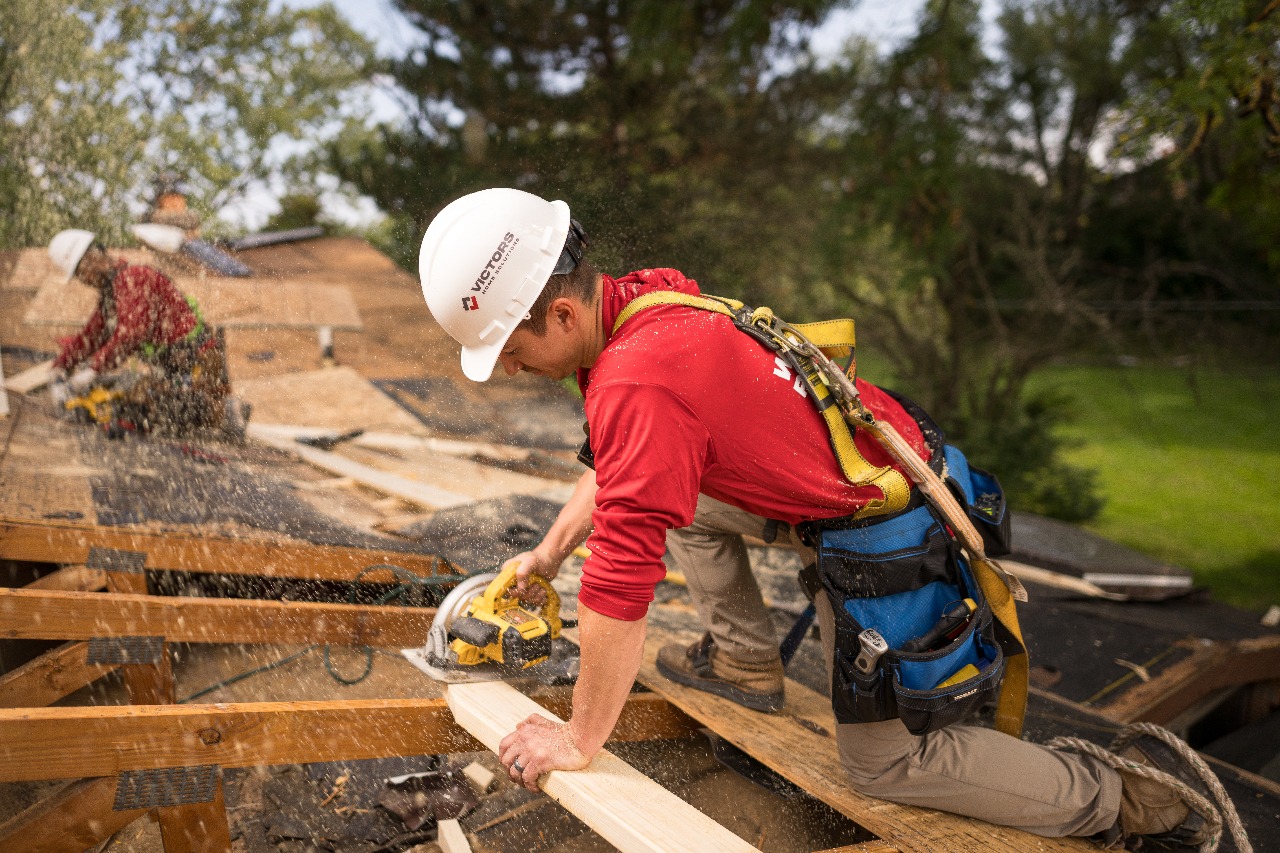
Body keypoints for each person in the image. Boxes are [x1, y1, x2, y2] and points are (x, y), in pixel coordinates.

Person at [416, 188, 1232, 850]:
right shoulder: (646, 301)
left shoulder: (636, 380)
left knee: (890, 766)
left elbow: (622, 584)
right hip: (872, 461)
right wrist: (551, 551)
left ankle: (1113, 798)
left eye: (511, 351)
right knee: (682, 498)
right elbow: (628, 471)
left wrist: (579, 735)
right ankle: (745, 664)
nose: (513, 371)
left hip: (893, 523)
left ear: (560, 314)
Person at [46, 228, 245, 437]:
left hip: (197, 365)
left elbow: (132, 332)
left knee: (153, 412)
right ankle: (211, 412)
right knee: (130, 399)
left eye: (80, 274)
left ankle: (224, 414)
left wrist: (93, 370)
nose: (84, 281)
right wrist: (60, 367)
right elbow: (93, 334)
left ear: (91, 262)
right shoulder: (113, 291)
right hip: (176, 368)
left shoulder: (134, 279)